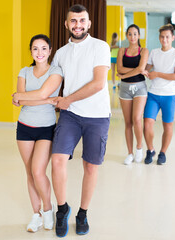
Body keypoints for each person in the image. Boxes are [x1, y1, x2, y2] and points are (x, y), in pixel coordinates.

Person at [50, 4, 111, 237]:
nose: (78, 25)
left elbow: (98, 83)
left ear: (89, 23)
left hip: (97, 116)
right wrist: (27, 97)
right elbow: (51, 83)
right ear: (66, 24)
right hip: (71, 115)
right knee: (57, 161)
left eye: (82, 21)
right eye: (73, 21)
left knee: (90, 166)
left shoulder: (100, 47)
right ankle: (62, 209)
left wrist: (67, 99)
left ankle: (83, 213)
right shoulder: (61, 53)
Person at [12, 34, 63, 233]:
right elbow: (21, 102)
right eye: (35, 48)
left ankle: (48, 209)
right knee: (29, 172)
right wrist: (49, 100)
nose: (39, 52)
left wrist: (23, 96)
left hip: (46, 128)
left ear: (50, 51)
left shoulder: (56, 71)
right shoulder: (24, 71)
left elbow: (32, 95)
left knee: (38, 171)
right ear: (31, 51)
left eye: (43, 48)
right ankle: (36, 215)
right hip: (24, 126)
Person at [143, 24, 175, 165]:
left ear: (172, 38)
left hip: (169, 96)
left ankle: (162, 153)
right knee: (147, 123)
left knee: (167, 126)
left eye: (167, 37)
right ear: (159, 37)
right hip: (153, 94)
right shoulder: (154, 52)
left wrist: (158, 74)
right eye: (162, 37)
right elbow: (146, 69)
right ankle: (150, 150)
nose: (164, 39)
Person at [116, 24, 149, 165]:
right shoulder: (121, 50)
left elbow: (141, 68)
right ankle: (130, 153)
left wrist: (123, 75)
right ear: (126, 35)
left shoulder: (144, 51)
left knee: (136, 119)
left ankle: (139, 148)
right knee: (128, 122)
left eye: (135, 34)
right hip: (125, 89)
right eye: (130, 34)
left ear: (139, 35)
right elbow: (119, 68)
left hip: (140, 88)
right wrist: (136, 70)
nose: (132, 37)